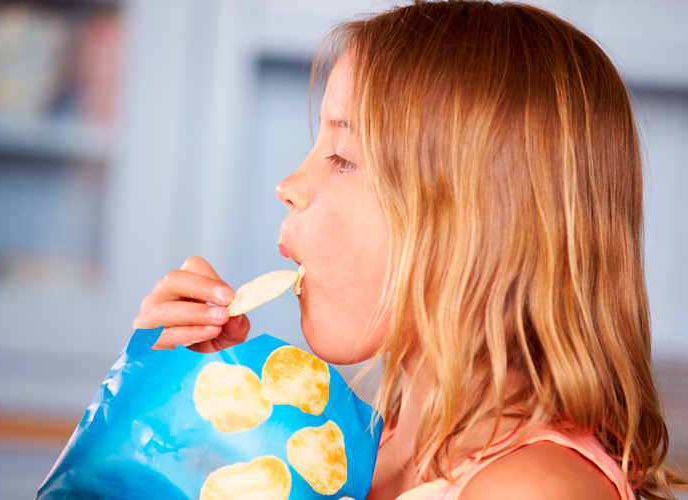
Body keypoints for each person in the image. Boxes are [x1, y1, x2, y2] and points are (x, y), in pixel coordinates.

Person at [132, 1, 687, 499]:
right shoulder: (375, 441)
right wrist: (186, 412)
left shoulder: (530, 489)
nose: (287, 185)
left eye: (344, 158)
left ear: (476, 222)